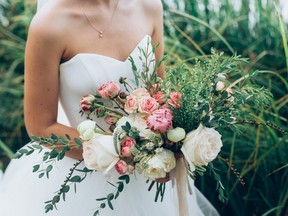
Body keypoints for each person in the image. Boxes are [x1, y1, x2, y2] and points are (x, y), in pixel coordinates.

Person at [0, 0, 219, 215]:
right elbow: (41, 127)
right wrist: (125, 153)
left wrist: (172, 143)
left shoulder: (150, 6)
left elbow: (159, 95)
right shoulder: (49, 25)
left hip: (148, 177)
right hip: (82, 178)